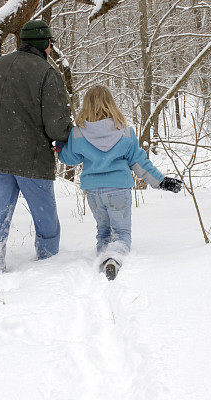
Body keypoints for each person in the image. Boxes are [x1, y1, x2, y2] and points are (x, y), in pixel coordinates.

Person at [0, 20, 72, 273]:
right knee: (45, 219)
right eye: (50, 44)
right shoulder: (47, 73)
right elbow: (57, 127)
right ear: (46, 45)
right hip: (31, 159)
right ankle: (49, 267)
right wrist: (68, 137)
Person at [56, 85, 182, 280]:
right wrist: (161, 181)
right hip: (118, 190)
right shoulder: (125, 132)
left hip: (93, 191)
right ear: (111, 103)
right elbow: (139, 162)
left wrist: (61, 147)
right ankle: (114, 259)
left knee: (103, 232)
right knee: (122, 233)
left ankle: (103, 258)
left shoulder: (78, 133)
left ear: (86, 105)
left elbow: (70, 159)